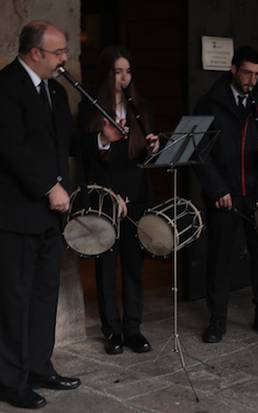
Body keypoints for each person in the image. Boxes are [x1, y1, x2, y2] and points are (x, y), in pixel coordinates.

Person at [0, 20, 119, 409]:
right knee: (14, 299)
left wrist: (101, 138)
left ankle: (38, 366)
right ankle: (10, 380)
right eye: (59, 53)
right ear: (35, 53)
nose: (65, 59)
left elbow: (66, 141)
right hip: (16, 215)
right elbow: (12, 148)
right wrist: (48, 186)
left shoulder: (53, 89)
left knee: (44, 295)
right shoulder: (6, 86)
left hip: (52, 215)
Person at [195, 46, 258, 343]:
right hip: (224, 193)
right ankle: (217, 320)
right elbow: (199, 152)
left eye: (257, 75)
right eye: (247, 72)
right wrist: (217, 188)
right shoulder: (209, 103)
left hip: (256, 192)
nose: (252, 80)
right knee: (220, 258)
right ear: (233, 69)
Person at [77, 45, 160, 355]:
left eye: (128, 71)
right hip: (105, 195)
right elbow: (82, 153)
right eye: (118, 71)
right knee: (106, 265)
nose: (125, 77)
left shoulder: (141, 106)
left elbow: (144, 156)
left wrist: (152, 147)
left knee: (134, 263)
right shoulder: (91, 108)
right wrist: (102, 138)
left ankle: (133, 328)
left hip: (136, 194)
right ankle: (111, 330)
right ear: (107, 74)